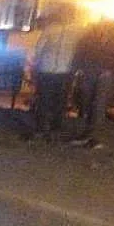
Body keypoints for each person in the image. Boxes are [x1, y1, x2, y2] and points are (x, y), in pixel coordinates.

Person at [73, 18, 114, 145]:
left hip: (106, 73)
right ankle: (88, 133)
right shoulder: (93, 33)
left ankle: (94, 137)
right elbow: (82, 49)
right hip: (93, 72)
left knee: (98, 105)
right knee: (90, 103)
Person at [31, 10, 83, 140]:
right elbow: (39, 48)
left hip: (57, 70)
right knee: (51, 100)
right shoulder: (72, 31)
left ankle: (48, 127)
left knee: (52, 100)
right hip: (55, 70)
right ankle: (48, 127)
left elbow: (39, 48)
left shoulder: (73, 31)